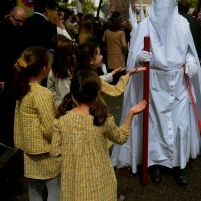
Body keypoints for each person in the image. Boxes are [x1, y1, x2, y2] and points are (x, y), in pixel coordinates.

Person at [112, 0, 201, 186]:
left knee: (180, 126)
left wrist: (190, 62)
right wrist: (139, 56)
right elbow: (133, 57)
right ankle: (156, 164)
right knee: (156, 127)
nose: (164, 0)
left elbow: (190, 51)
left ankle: (179, 165)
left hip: (178, 84)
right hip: (153, 85)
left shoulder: (182, 24)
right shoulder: (144, 26)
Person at [50, 69, 146, 200]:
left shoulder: (61, 120)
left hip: (73, 185)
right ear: (97, 92)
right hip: (101, 182)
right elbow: (121, 137)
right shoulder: (102, 118)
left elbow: (55, 152)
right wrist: (130, 114)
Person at [13, 46, 61, 201]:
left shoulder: (23, 87)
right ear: (44, 69)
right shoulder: (42, 93)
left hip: (29, 148)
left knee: (34, 189)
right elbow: (49, 127)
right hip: (45, 151)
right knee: (54, 188)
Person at [0, 6, 27, 148]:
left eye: (22, 22)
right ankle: (5, 137)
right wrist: (1, 78)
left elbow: (18, 52)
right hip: (6, 74)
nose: (20, 24)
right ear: (10, 16)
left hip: (14, 73)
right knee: (6, 108)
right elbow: (0, 57)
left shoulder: (15, 29)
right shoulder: (2, 30)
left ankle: (10, 137)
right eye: (18, 21)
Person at [47, 35, 76, 108]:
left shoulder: (53, 71)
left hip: (61, 105)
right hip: (71, 104)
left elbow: (50, 90)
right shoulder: (73, 69)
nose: (73, 55)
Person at [102, 13, 128, 84]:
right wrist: (125, 50)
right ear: (119, 23)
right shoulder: (121, 33)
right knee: (119, 79)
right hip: (119, 58)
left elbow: (103, 40)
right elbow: (124, 45)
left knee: (112, 77)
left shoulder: (107, 31)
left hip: (110, 58)